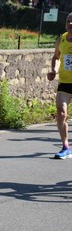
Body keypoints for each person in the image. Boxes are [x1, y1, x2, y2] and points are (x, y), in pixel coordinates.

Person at [47, 12, 72, 159]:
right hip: (65, 83)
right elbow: (56, 57)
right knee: (61, 113)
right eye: (68, 21)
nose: (70, 24)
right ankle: (65, 146)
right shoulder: (61, 40)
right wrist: (53, 71)